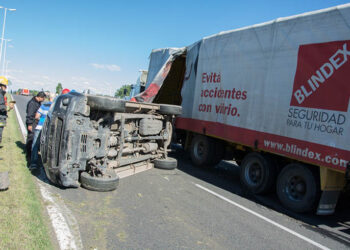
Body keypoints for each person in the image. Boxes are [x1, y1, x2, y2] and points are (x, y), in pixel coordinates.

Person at [30, 93, 55, 170]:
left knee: (35, 145)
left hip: (40, 127)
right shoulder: (55, 107)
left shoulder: (44, 105)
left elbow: (37, 116)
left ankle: (33, 163)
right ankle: (45, 164)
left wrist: (41, 120)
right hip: (48, 130)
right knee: (47, 146)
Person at [25, 91, 46, 161]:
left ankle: (31, 153)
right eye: (43, 98)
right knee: (31, 138)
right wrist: (30, 124)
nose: (44, 100)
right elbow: (30, 114)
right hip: (32, 123)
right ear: (40, 97)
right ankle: (29, 155)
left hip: (35, 123)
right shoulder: (32, 103)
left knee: (33, 138)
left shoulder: (37, 103)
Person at [0, 76, 14, 145]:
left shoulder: (2, 95)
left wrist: (8, 108)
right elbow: (1, 107)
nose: (6, 87)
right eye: (4, 86)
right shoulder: (0, 95)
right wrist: (8, 107)